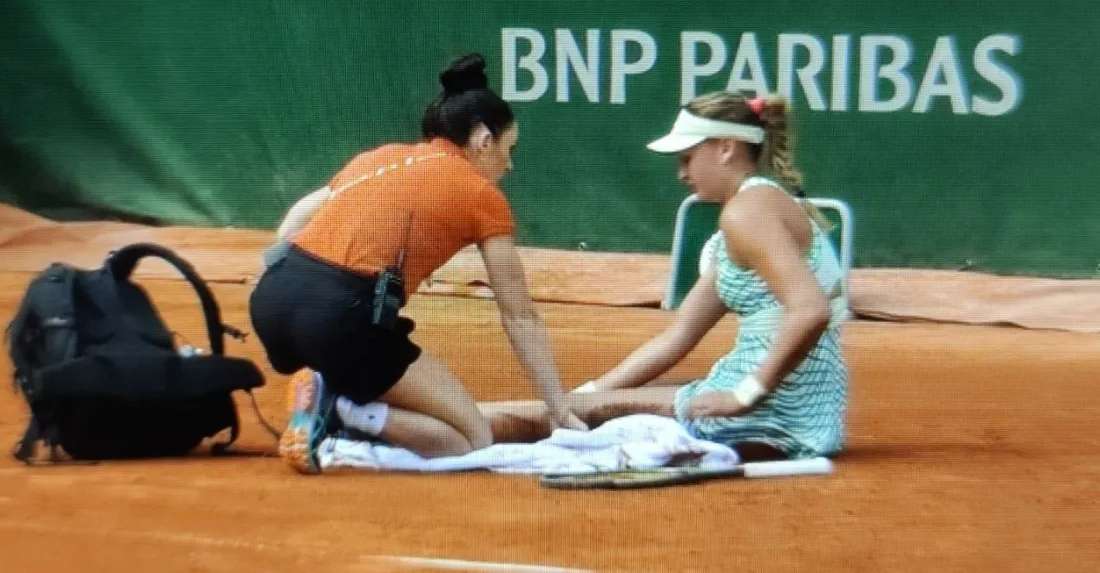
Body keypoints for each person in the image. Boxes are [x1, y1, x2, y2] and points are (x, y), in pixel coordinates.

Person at [249, 53, 586, 473]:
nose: (509, 164)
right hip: (337, 321)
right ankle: (345, 411)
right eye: (508, 148)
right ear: (483, 139)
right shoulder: (483, 197)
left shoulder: (381, 156)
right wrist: (559, 410)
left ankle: (334, 388)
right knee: (470, 439)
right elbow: (519, 317)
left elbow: (295, 221)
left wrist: (291, 285)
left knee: (357, 355)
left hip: (273, 301)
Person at [481, 91, 849, 462]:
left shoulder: (747, 213)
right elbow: (678, 336)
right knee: (587, 406)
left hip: (772, 412)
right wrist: (587, 394)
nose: (682, 174)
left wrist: (746, 394)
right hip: (806, 410)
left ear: (725, 148)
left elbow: (809, 308)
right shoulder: (757, 208)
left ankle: (438, 433)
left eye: (687, 159)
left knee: (550, 415)